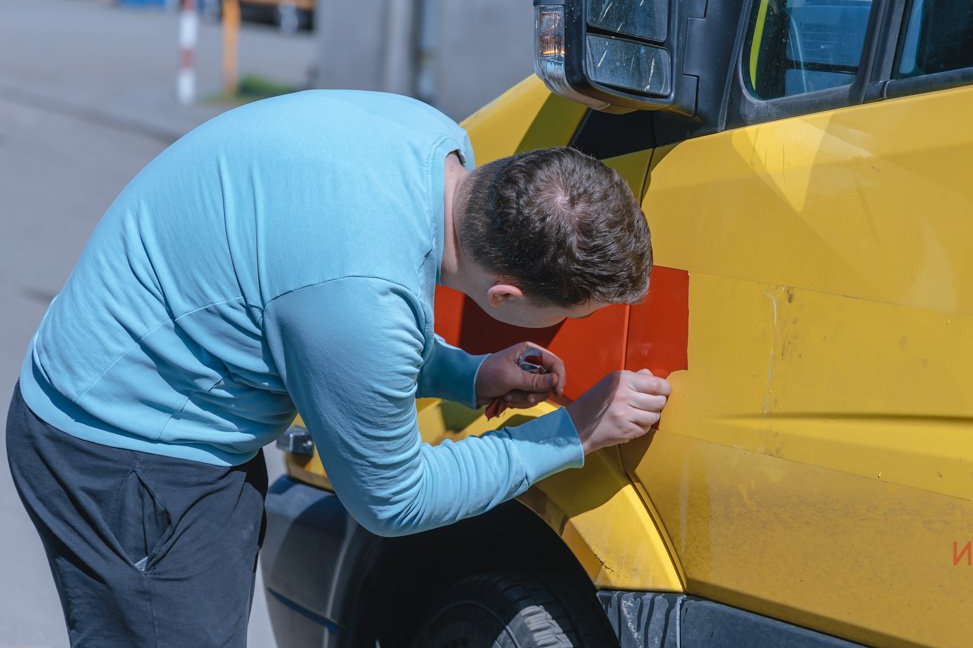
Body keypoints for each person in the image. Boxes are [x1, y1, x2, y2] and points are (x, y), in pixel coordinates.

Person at [6, 89, 671, 647]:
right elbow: (395, 500)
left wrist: (465, 375)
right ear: (506, 297)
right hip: (127, 450)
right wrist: (571, 434)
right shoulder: (359, 297)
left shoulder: (429, 139)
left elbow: (322, 316)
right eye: (571, 314)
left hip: (149, 382)